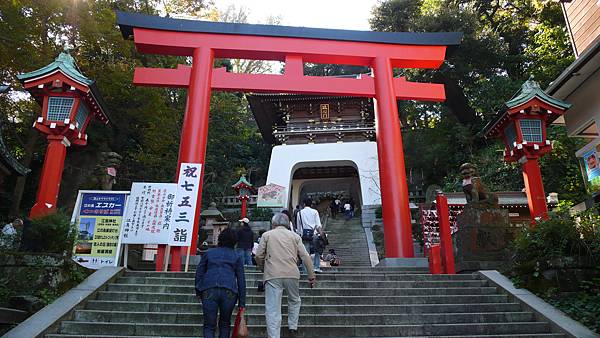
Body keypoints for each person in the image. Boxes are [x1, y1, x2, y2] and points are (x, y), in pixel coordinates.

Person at [255, 213, 316, 338]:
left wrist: (264, 268)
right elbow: (305, 256)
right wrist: (311, 276)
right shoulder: (295, 236)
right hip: (292, 273)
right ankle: (292, 327)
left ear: (273, 224)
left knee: (273, 308)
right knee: (294, 300)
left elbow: (258, 256)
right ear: (288, 224)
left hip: (272, 275)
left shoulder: (266, 235)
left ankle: (274, 336)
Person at [195, 228, 246, 338]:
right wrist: (242, 303)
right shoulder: (237, 256)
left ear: (220, 239)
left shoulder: (208, 253)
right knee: (225, 324)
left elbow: (199, 273)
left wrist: (198, 291)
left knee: (209, 325)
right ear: (234, 241)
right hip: (229, 290)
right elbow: (241, 280)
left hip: (209, 289)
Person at [296, 198, 324, 273]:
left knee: (305, 253)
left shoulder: (299, 213)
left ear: (304, 204)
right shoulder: (315, 212)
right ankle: (316, 267)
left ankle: (305, 269)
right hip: (314, 234)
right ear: (311, 204)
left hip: (304, 235)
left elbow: (298, 227)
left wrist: (300, 234)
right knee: (317, 251)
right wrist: (321, 235)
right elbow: (318, 225)